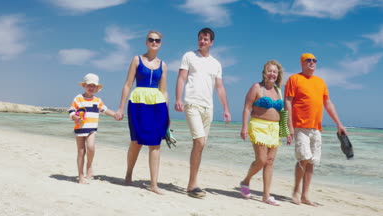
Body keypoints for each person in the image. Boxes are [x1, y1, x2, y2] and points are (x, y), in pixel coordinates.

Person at [175, 27, 231, 198]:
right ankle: (192, 185)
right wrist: (178, 98)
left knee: (200, 145)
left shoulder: (216, 64)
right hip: (192, 103)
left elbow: (219, 87)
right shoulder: (189, 56)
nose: (202, 41)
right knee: (199, 141)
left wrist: (226, 109)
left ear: (211, 42)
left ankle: (193, 182)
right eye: (200, 38)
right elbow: (182, 78)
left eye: (205, 39)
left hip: (209, 108)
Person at [285, 53, 347, 206]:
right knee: (303, 158)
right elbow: (287, 102)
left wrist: (339, 123)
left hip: (316, 128)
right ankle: (296, 192)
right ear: (302, 63)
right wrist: (289, 126)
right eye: (308, 60)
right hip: (300, 126)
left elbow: (328, 103)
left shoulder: (320, 82)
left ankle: (305, 195)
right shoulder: (294, 79)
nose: (312, 63)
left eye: (314, 60)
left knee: (312, 161)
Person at [114, 30, 169, 195]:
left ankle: (154, 184)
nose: (154, 42)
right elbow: (127, 84)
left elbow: (164, 91)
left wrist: (167, 114)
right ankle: (129, 173)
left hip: (157, 105)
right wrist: (120, 108)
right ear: (146, 42)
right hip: (138, 103)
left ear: (160, 43)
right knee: (136, 141)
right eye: (151, 39)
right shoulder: (136, 60)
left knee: (156, 144)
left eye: (157, 40)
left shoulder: (163, 64)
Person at [239, 60, 287, 206]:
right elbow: (247, 107)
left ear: (278, 75)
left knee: (270, 162)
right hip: (258, 125)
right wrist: (244, 127)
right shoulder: (256, 87)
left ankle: (266, 196)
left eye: (275, 72)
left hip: (274, 128)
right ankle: (246, 181)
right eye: (270, 71)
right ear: (265, 73)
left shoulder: (278, 90)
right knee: (261, 159)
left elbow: (282, 112)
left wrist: (287, 130)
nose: (272, 74)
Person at [68, 73, 116, 184]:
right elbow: (71, 111)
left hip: (91, 129)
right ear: (84, 86)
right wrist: (75, 117)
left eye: (94, 86)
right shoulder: (78, 98)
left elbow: (105, 110)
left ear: (97, 88)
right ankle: (80, 176)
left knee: (90, 147)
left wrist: (115, 115)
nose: (91, 88)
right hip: (79, 129)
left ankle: (89, 166)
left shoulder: (97, 101)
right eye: (89, 85)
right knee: (81, 152)